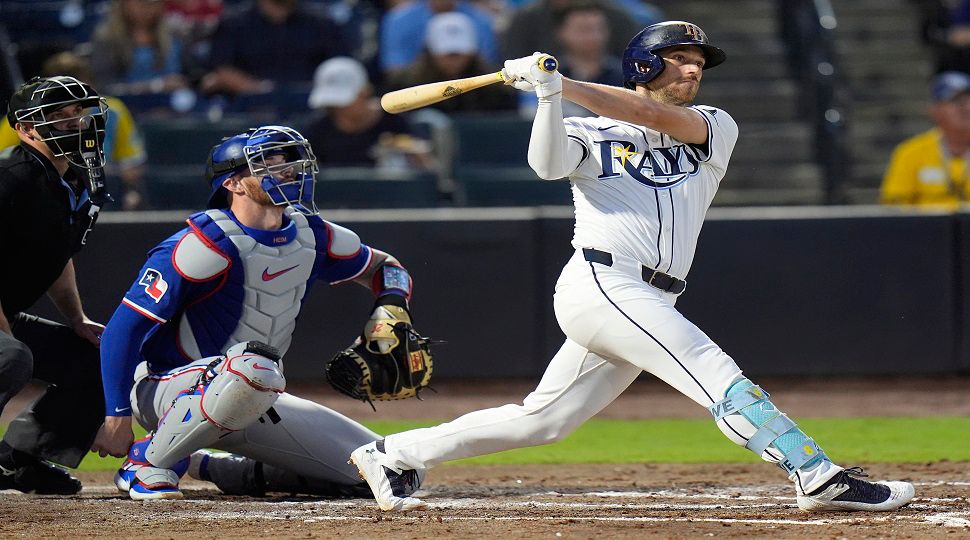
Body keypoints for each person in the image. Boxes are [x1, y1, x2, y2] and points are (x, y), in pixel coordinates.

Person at [349, 21, 917, 513]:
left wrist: (562, 83)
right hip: (603, 281)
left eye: (699, 64)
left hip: (651, 294)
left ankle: (392, 454)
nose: (693, 71)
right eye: (680, 60)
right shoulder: (590, 130)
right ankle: (816, 474)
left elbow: (647, 112)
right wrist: (549, 99)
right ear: (643, 63)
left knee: (543, 421)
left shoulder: (714, 126)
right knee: (711, 369)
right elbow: (546, 167)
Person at [96, 124, 425, 500]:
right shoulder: (203, 244)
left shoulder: (312, 236)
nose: (285, 170)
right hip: (168, 389)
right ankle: (149, 461)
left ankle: (216, 465)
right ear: (232, 184)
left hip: (258, 392)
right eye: (266, 164)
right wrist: (115, 414)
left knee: (395, 470)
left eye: (286, 161)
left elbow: (386, 267)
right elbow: (123, 330)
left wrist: (391, 306)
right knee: (253, 367)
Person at [0, 76, 114, 494]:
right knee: (9, 356)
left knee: (96, 355)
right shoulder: (9, 179)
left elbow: (58, 254)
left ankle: (20, 461)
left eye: (78, 114)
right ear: (26, 130)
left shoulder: (76, 181)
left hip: (7, 311)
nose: (74, 124)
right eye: (58, 117)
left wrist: (78, 319)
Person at [0, 52, 149, 210]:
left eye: (77, 102)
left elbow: (132, 168)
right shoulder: (26, 118)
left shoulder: (112, 111)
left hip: (101, 194)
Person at [304, 57, 433, 169]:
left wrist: (417, 157)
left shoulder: (394, 122)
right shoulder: (317, 131)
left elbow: (424, 168)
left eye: (344, 102)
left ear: (365, 92)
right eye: (332, 103)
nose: (338, 108)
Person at [201, 0, 347, 97]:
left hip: (311, 102)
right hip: (250, 107)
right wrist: (261, 91)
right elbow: (223, 69)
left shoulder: (322, 22)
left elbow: (340, 66)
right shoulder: (234, 23)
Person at [386, 12, 516, 113]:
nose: (453, 60)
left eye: (459, 53)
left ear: (472, 52)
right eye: (447, 54)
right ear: (430, 52)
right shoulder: (406, 84)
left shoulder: (494, 89)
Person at [881, 70, 970, 206]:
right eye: (956, 101)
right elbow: (894, 210)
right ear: (934, 110)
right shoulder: (911, 153)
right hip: (927, 226)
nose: (967, 107)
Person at [90, 0, 189, 96]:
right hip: (128, 106)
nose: (148, 7)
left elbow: (188, 76)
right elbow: (106, 87)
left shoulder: (174, 33)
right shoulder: (107, 38)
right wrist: (156, 86)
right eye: (141, 2)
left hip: (175, 103)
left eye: (154, 2)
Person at [379, 0, 498, 76]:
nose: (453, 60)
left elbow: (488, 66)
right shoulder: (400, 20)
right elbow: (394, 70)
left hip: (475, 90)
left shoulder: (481, 19)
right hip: (419, 87)